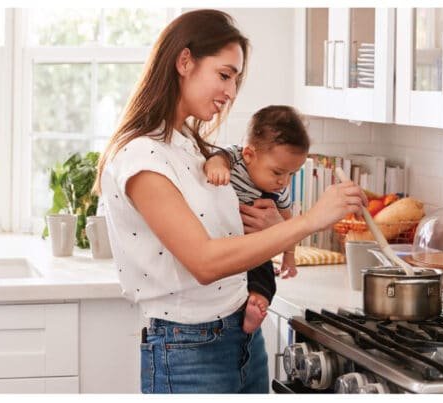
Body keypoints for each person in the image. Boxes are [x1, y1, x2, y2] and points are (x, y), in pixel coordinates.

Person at [94, 9, 366, 394]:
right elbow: (204, 261)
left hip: (242, 338)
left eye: (236, 79)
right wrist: (309, 221)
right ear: (184, 61)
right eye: (224, 75)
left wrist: (273, 228)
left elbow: (228, 234)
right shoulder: (142, 157)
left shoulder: (189, 145)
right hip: (187, 350)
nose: (231, 92)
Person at [203, 105, 308, 334]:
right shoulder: (234, 158)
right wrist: (216, 168)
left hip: (254, 246)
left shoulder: (279, 191)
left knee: (264, 273)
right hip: (224, 244)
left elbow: (289, 224)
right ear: (249, 155)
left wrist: (290, 256)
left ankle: (257, 301)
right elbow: (216, 158)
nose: (284, 182)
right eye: (278, 172)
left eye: (292, 174)